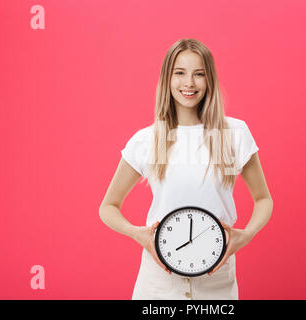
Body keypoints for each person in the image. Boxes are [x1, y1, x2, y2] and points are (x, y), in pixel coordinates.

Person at [99, 39, 273, 300]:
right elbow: (108, 206)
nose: (189, 83)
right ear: (167, 80)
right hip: (158, 280)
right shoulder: (147, 139)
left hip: (216, 277)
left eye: (199, 74)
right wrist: (139, 235)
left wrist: (246, 235)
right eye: (179, 73)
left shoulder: (233, 134)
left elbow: (263, 199)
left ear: (209, 79)